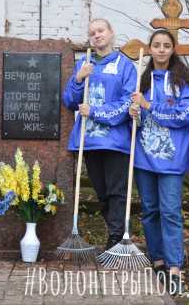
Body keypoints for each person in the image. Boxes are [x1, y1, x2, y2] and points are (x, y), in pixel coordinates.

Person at [129, 29, 189, 291]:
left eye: (166, 45)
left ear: (173, 49)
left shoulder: (184, 82)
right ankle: (157, 260)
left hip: (172, 159)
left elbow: (183, 116)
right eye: (156, 45)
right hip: (144, 158)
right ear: (150, 49)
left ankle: (174, 267)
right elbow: (135, 122)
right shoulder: (141, 81)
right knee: (149, 211)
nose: (160, 49)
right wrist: (133, 112)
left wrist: (149, 107)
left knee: (170, 212)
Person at [62, 18, 137, 249]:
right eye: (92, 32)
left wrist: (94, 111)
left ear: (111, 32)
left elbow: (127, 103)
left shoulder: (125, 66)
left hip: (115, 142)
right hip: (90, 140)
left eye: (101, 30)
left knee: (117, 191)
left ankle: (116, 237)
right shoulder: (83, 63)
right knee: (102, 193)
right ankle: (113, 231)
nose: (97, 35)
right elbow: (69, 101)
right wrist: (78, 79)